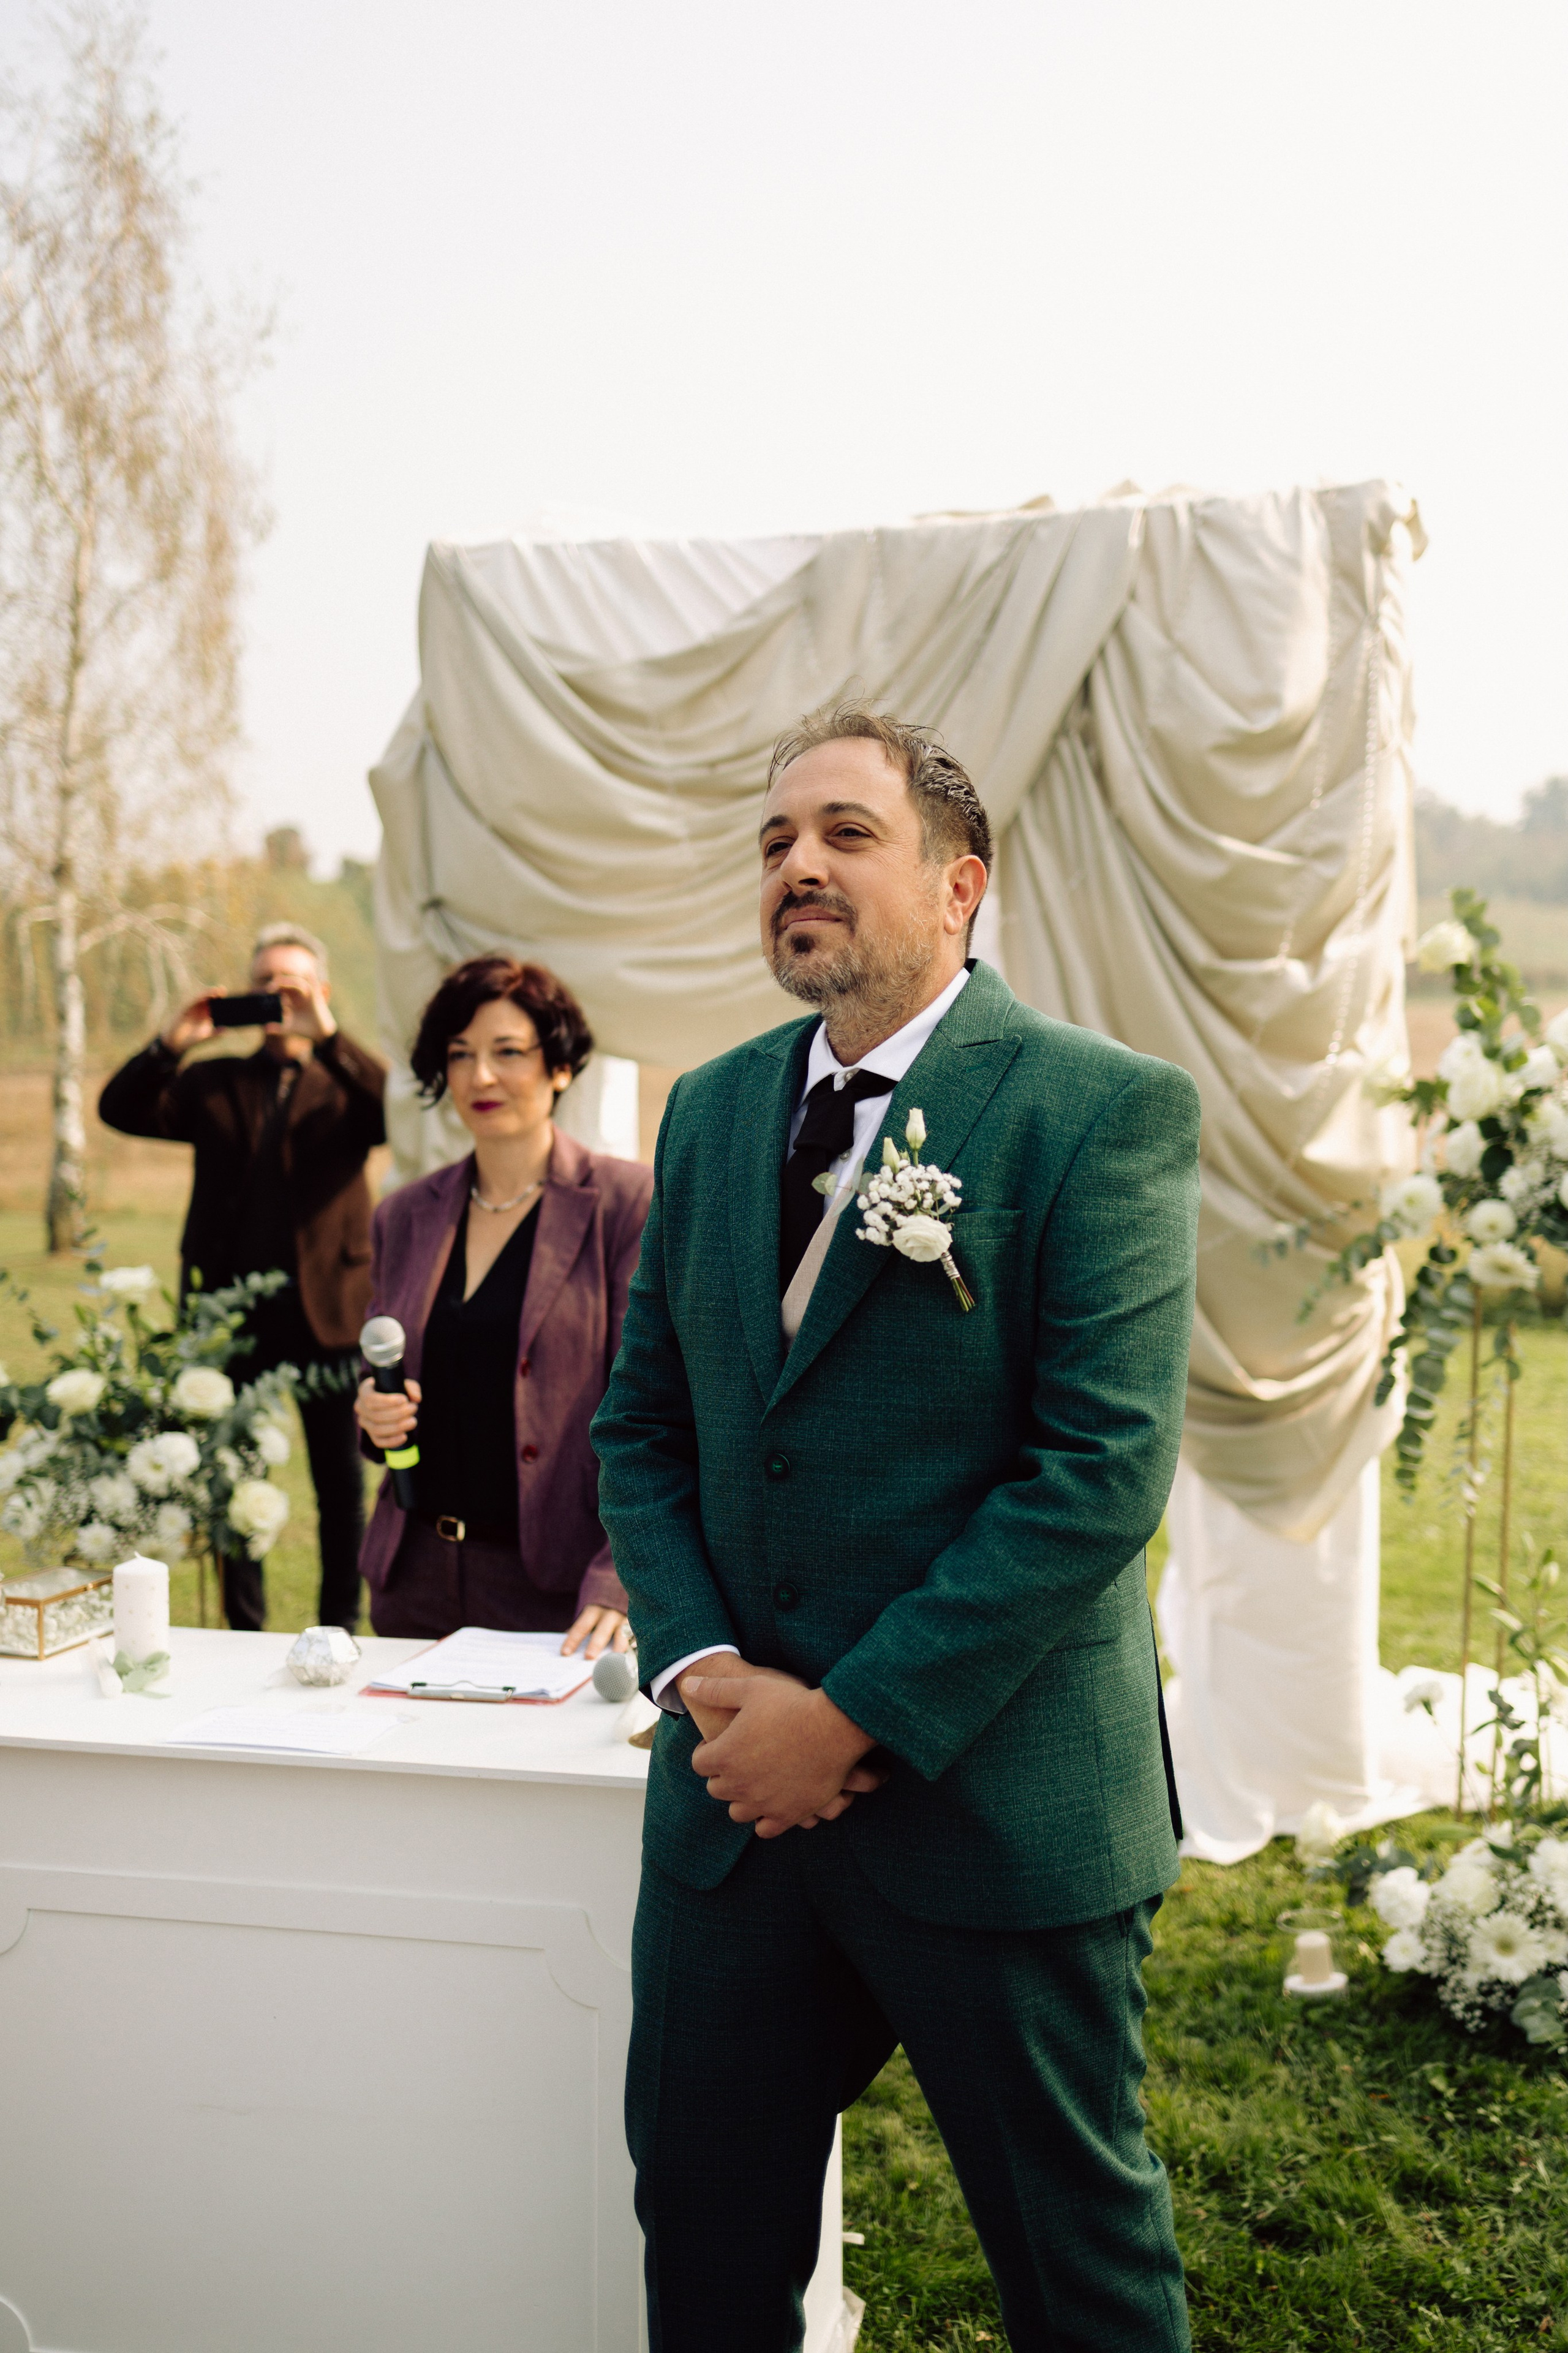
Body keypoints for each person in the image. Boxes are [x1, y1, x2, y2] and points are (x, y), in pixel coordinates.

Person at [591, 703, 1201, 2352]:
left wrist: (849, 1717)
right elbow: (643, 1424)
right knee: (704, 2245)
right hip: (732, 1818)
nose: (797, 864)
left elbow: (1098, 1470)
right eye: (775, 842)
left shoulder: (1096, 1108)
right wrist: (704, 1670)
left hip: (992, 1809)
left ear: (958, 885)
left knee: (1077, 2274)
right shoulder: (709, 1111)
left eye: (845, 833)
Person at [355, 955, 650, 1656]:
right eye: (460, 1055)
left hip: (556, 1595)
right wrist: (372, 1411)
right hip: (413, 1581)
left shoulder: (625, 1205)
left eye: (508, 1052)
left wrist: (618, 1576)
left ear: (560, 1067)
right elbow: (379, 1370)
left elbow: (658, 1410)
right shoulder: (403, 1215)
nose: (480, 1076)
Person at [99, 923, 386, 1633]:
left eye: (292, 984)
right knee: (230, 1480)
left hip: (330, 1309)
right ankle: (244, 1632)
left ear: (320, 992)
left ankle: (340, 1628)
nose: (277, 996)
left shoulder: (346, 1081)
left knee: (340, 1485)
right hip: (230, 1317)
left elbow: (397, 1113)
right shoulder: (214, 1080)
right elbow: (118, 1109)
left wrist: (329, 1035)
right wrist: (173, 1043)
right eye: (264, 983)